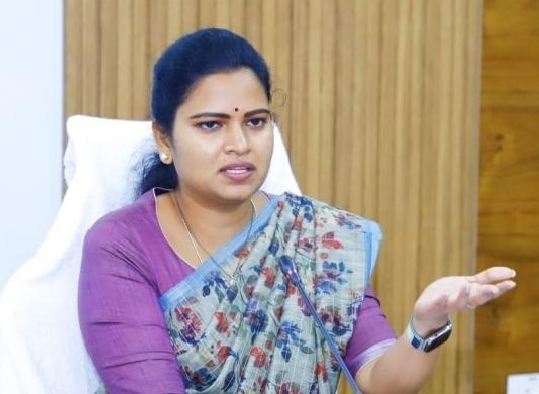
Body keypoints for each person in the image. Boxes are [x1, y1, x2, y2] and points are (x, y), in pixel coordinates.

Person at [78, 28, 516, 394]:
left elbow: (379, 379)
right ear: (164, 139)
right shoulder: (123, 246)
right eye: (211, 125)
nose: (240, 144)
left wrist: (426, 324)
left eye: (255, 121)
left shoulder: (316, 239)